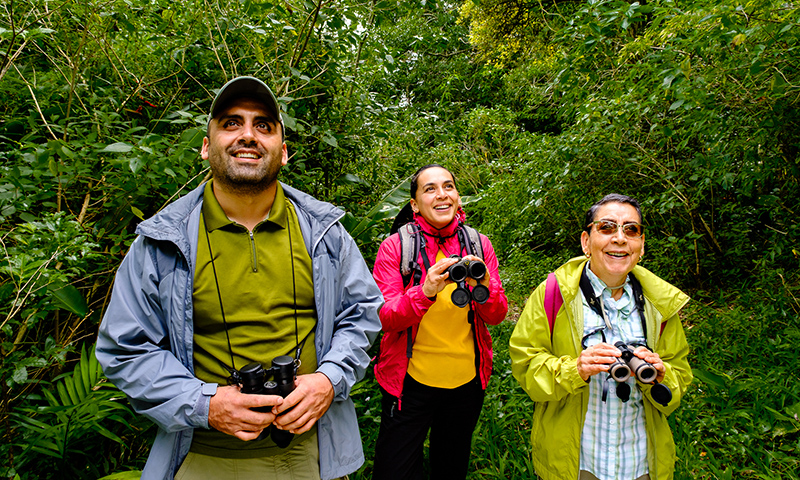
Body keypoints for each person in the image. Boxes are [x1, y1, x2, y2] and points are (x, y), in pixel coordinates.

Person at [95, 76, 383, 480]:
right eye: (231, 123)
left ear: (283, 153)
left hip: (310, 455)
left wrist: (328, 380)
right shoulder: (163, 240)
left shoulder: (324, 232)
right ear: (205, 145)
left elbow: (363, 313)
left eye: (263, 125)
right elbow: (125, 348)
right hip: (202, 455)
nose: (248, 135)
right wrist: (203, 403)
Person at [509, 193, 693, 480]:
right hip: (577, 462)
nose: (619, 238)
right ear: (586, 241)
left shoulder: (661, 304)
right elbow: (525, 368)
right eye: (606, 227)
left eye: (631, 230)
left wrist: (660, 375)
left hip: (641, 463)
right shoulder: (553, 295)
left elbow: (678, 383)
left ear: (641, 245)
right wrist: (576, 369)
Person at [370, 164, 508, 480]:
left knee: (451, 469)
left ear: (458, 198)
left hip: (465, 383)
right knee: (395, 472)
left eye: (448, 187)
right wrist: (426, 291)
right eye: (430, 189)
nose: (441, 194)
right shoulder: (395, 247)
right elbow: (386, 317)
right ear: (415, 204)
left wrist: (483, 286)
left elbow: (497, 315)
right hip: (409, 384)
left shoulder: (478, 244)